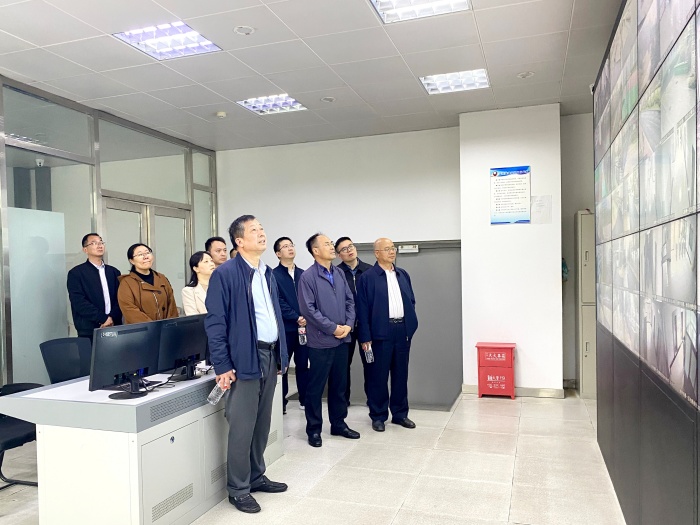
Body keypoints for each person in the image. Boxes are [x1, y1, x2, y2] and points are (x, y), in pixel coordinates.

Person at [205, 215, 289, 514]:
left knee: (262, 423)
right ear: (239, 241)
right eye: (255, 230)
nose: (262, 233)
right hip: (244, 359)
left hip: (269, 354)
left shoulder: (267, 272)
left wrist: (281, 354)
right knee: (242, 426)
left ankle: (256, 476)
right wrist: (222, 365)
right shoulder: (225, 274)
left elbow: (274, 317)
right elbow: (215, 323)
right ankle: (238, 489)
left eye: (262, 228)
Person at [298, 233, 360, 448]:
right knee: (316, 388)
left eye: (331, 243)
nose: (332, 247)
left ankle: (339, 424)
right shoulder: (308, 277)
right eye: (327, 244)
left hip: (342, 339)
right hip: (321, 342)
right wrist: (333, 328)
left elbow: (350, 301)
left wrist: (348, 325)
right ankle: (314, 429)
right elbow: (309, 310)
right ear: (315, 250)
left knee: (339, 386)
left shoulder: (339, 273)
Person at [356, 238, 418, 432]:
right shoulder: (368, 277)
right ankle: (378, 415)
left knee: (401, 374)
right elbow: (362, 309)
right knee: (378, 376)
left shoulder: (402, 274)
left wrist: (410, 326)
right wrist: (365, 337)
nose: (392, 252)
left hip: (402, 331)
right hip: (379, 333)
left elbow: (411, 300)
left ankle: (400, 414)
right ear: (377, 253)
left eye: (393, 248)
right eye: (387, 249)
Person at [335, 237, 372, 405]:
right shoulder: (336, 273)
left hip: (367, 327)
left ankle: (373, 401)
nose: (349, 250)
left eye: (350, 246)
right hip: (345, 327)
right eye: (344, 249)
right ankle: (343, 401)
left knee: (371, 365)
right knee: (342, 367)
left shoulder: (370, 271)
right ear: (338, 255)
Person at [272, 237, 307, 414]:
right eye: (285, 246)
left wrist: (306, 317)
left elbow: (310, 298)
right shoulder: (273, 275)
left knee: (303, 365)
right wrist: (295, 317)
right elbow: (277, 300)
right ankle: (282, 402)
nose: (290, 248)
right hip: (285, 328)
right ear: (278, 254)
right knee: (283, 365)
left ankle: (305, 399)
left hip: (304, 328)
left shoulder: (303, 274)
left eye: (291, 245)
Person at [67, 233, 122, 342]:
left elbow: (120, 298)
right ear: (85, 250)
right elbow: (78, 302)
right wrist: (103, 318)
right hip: (89, 329)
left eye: (101, 242)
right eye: (94, 243)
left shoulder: (114, 272)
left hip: (114, 326)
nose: (99, 245)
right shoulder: (76, 273)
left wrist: (111, 318)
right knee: (90, 354)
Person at [117, 243, 179, 324]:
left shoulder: (161, 277)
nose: (145, 257)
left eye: (147, 252)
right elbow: (129, 310)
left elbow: (172, 304)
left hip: (166, 328)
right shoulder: (126, 283)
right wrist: (153, 327)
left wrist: (169, 325)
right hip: (143, 329)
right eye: (140, 254)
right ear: (132, 261)